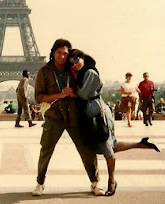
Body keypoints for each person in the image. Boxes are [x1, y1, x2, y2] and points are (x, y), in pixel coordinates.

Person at [65, 49, 160, 196]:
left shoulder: (90, 73)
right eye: (71, 64)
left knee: (107, 148)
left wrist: (73, 91)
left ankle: (112, 180)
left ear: (82, 58)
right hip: (92, 113)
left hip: (98, 114)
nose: (74, 65)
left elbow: (83, 95)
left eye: (76, 61)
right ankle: (141, 144)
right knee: (110, 144)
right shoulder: (83, 73)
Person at [32, 39, 102, 197]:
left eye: (65, 53)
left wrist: (74, 92)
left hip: (74, 115)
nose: (62, 56)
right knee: (46, 150)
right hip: (54, 116)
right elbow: (39, 97)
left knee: (86, 150)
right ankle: (40, 183)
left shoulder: (74, 69)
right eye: (59, 53)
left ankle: (95, 181)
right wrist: (61, 94)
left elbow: (88, 81)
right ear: (53, 53)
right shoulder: (44, 71)